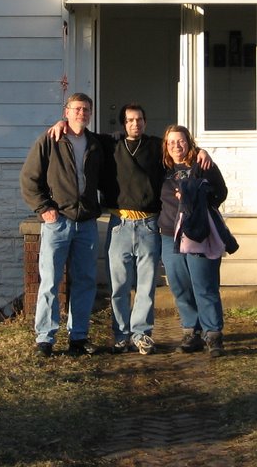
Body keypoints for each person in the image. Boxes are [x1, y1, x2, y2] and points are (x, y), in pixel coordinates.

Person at [48, 103, 210, 355]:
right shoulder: (110, 144)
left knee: (146, 286)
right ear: (123, 124)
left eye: (140, 119)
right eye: (130, 120)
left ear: (145, 122)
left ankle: (141, 335)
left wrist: (202, 152)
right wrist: (62, 124)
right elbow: (81, 132)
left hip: (148, 225)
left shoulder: (156, 146)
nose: (135, 124)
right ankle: (121, 336)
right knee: (119, 286)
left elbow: (178, 147)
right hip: (119, 225)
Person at [20, 92, 103, 358]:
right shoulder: (51, 140)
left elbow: (124, 143)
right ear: (66, 111)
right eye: (77, 109)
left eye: (86, 109)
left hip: (86, 223)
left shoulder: (95, 143)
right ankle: (45, 338)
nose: (82, 113)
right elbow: (29, 178)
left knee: (85, 282)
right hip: (58, 223)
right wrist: (44, 208)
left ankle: (78, 337)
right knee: (50, 282)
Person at [159, 124, 229, 357]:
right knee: (180, 285)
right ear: (165, 146)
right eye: (171, 142)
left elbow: (220, 193)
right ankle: (192, 331)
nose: (176, 146)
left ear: (189, 142)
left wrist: (196, 196)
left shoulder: (203, 165)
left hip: (198, 233)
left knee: (204, 285)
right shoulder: (162, 168)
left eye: (180, 141)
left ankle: (213, 334)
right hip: (170, 235)